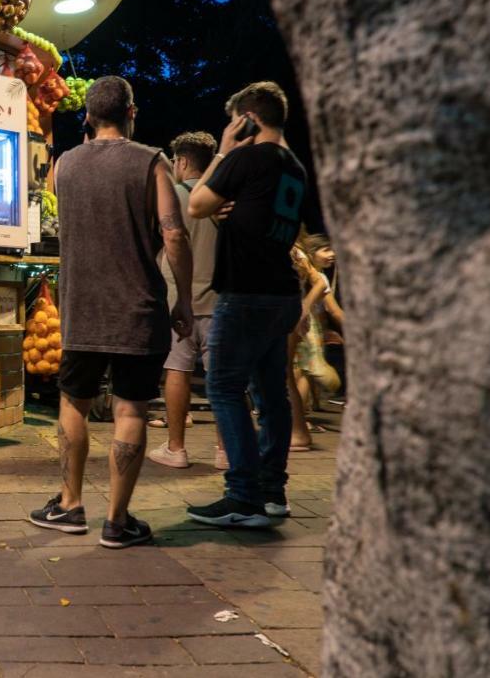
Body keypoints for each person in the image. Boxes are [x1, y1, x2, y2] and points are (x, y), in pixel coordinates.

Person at [28, 76, 194, 549]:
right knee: (130, 407)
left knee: (73, 401)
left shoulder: (64, 165)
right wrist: (181, 298)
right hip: (137, 310)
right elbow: (175, 236)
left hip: (81, 307)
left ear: (87, 117)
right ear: (132, 112)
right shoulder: (152, 163)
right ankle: (117, 522)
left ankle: (69, 503)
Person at [186, 81, 307, 528]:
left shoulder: (246, 157)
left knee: (223, 387)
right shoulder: (294, 166)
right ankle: (272, 492)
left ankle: (242, 495)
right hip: (282, 293)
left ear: (248, 120)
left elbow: (197, 203)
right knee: (271, 393)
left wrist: (222, 149)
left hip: (247, 293)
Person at [147, 131, 226, 470]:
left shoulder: (173, 195)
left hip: (179, 299)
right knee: (221, 378)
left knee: (176, 369)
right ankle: (226, 449)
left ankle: (176, 447)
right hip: (220, 299)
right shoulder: (223, 198)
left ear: (180, 161)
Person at [301, 233, 347, 406]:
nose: (332, 254)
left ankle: (307, 411)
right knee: (305, 373)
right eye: (326, 250)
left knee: (302, 371)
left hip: (304, 327)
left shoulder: (309, 275)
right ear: (311, 253)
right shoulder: (320, 279)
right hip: (307, 329)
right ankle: (301, 421)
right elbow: (334, 311)